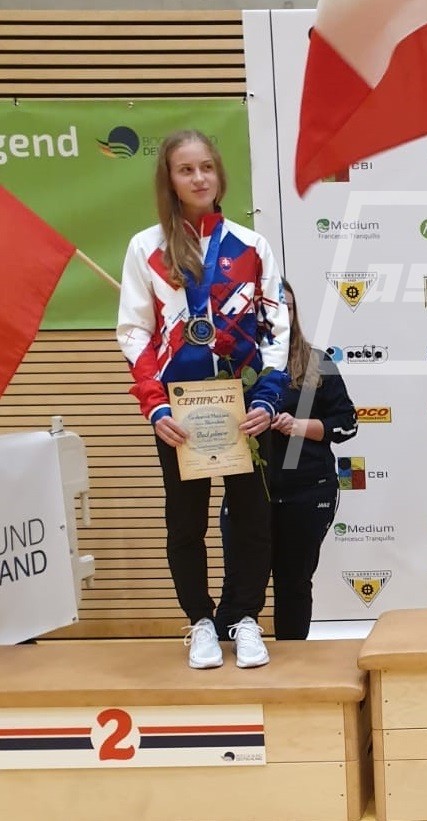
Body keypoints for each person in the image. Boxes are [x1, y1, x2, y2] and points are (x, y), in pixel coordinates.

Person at [117, 129, 289, 669]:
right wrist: (155, 405)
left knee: (252, 516)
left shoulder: (251, 245)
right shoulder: (146, 248)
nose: (198, 178)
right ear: (169, 179)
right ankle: (200, 622)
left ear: (219, 173)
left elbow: (275, 328)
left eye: (206, 167)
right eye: (186, 169)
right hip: (179, 411)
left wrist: (267, 397)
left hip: (243, 408)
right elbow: (134, 332)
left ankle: (245, 619)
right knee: (186, 521)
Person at [222, 279, 358, 639]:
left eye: (286, 309)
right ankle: (222, 662)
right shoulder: (230, 364)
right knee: (237, 585)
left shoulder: (316, 363)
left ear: (294, 315)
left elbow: (347, 424)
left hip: (306, 492)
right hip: (248, 490)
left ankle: (293, 665)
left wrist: (299, 426)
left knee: (293, 584)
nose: (276, 316)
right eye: (266, 309)